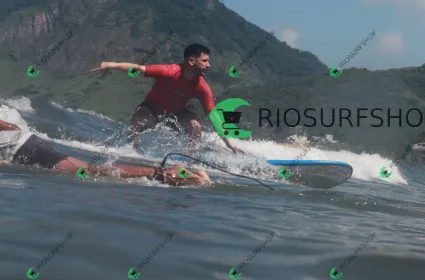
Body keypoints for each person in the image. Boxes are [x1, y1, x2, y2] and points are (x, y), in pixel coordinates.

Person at [89, 43, 245, 155]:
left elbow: (214, 116)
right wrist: (110, 65)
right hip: (152, 109)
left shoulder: (202, 88)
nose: (208, 65)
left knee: (196, 126)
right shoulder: (169, 71)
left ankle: (191, 158)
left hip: (178, 114)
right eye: (204, 61)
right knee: (139, 117)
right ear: (191, 61)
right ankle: (131, 151)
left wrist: (229, 143)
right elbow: (138, 68)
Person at [0, 119, 211, 186]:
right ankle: (173, 174)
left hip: (22, 149)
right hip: (28, 141)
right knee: (89, 170)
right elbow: (13, 127)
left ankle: (167, 174)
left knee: (90, 171)